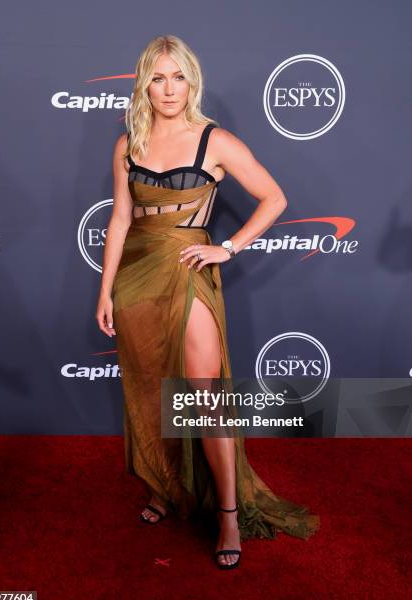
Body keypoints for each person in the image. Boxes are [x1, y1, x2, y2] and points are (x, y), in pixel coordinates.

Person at [96, 34, 320, 570]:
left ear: (191, 81)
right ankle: (166, 488)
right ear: (143, 82)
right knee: (151, 392)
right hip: (136, 279)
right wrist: (104, 290)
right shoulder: (129, 142)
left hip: (188, 273)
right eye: (158, 76)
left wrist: (229, 247)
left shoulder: (215, 141)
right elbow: (121, 219)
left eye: (178, 76)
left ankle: (226, 513)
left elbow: (275, 197)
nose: (169, 88)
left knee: (204, 398)